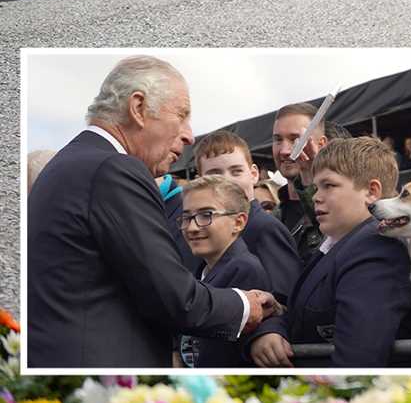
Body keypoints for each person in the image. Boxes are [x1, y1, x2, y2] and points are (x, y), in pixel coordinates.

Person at [26, 55, 276, 368]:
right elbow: (172, 296)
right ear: (138, 108)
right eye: (182, 115)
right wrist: (246, 305)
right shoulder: (113, 169)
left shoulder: (70, 163)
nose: (189, 135)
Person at [247, 137, 411, 368]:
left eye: (329, 185)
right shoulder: (337, 245)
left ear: (371, 190)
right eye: (317, 187)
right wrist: (272, 328)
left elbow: (358, 359)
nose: (316, 196)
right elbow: (303, 315)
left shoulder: (377, 249)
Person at [195, 131, 301, 303]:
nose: (227, 181)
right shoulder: (206, 232)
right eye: (215, 174)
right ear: (200, 181)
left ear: (253, 174)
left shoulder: (263, 228)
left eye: (236, 171)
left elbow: (286, 297)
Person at [179, 176, 272, 368]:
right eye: (187, 217)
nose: (192, 227)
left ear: (238, 222)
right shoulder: (200, 269)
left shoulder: (245, 269)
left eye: (206, 215)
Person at [272, 103, 338, 259]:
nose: (285, 151)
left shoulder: (338, 210)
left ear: (321, 144)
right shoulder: (272, 219)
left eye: (296, 139)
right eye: (278, 140)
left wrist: (309, 173)